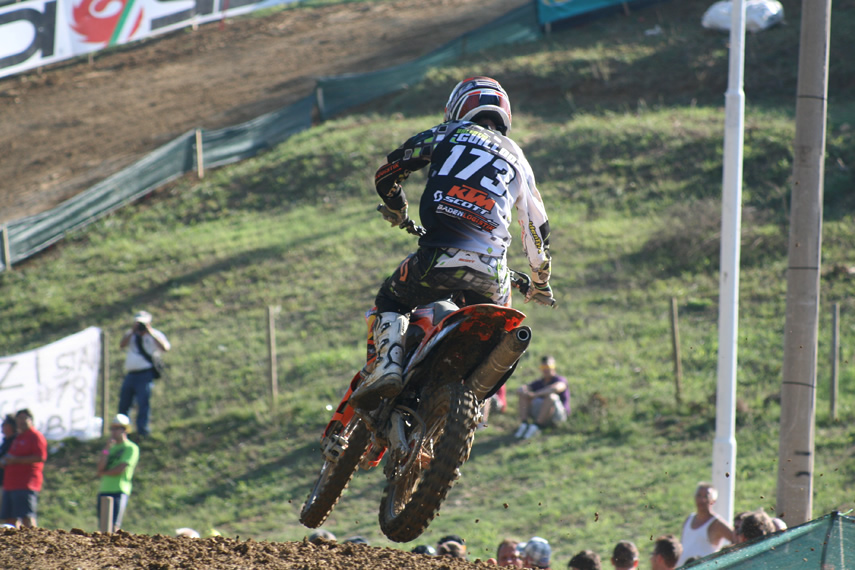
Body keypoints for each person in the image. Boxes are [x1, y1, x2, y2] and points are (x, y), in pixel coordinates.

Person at [349, 76, 554, 410]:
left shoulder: (447, 133)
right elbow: (536, 228)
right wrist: (540, 281)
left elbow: (388, 172)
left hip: (438, 257)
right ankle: (474, 409)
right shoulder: (519, 158)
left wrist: (397, 208)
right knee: (500, 337)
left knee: (391, 298)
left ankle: (387, 367)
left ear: (458, 107)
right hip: (494, 276)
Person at [118, 310, 171, 437]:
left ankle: (142, 430)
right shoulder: (131, 335)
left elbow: (165, 348)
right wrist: (132, 331)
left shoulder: (154, 334)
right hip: (131, 374)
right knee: (124, 402)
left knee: (143, 402)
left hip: (145, 374)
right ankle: (121, 430)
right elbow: (122, 345)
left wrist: (150, 332)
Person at [0, 409, 47, 528]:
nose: (21, 421)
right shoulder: (18, 437)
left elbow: (40, 457)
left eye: (24, 418)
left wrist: (16, 460)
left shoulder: (35, 436)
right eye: (19, 419)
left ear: (31, 420)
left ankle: (34, 538)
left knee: (26, 516)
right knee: (10, 518)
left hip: (26, 483)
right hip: (10, 483)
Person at [95, 414, 140, 530]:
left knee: (114, 526)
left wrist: (104, 473)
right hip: (104, 489)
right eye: (112, 428)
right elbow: (100, 467)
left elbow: (120, 469)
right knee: (103, 527)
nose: (113, 432)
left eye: (117, 428)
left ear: (125, 429)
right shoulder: (110, 448)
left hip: (119, 489)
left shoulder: (131, 447)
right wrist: (106, 450)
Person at [675, 482, 733, 566]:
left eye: (706, 496)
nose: (702, 500)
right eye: (699, 495)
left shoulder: (717, 524)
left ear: (713, 501)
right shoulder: (689, 519)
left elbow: (736, 538)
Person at [514, 355, 570, 439]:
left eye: (548, 367)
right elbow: (521, 389)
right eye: (543, 367)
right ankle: (524, 424)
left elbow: (556, 388)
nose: (546, 369)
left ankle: (537, 426)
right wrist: (524, 391)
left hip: (557, 416)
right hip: (541, 413)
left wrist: (536, 394)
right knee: (523, 395)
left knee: (551, 397)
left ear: (554, 367)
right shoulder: (539, 382)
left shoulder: (560, 380)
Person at [0, 415, 17, 488]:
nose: (2, 426)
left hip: (11, 483)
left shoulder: (16, 441)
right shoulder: (5, 442)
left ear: (12, 426)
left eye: (5, 424)